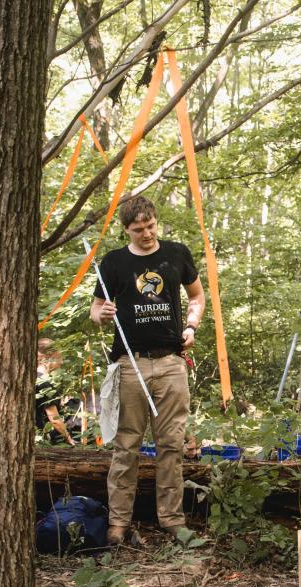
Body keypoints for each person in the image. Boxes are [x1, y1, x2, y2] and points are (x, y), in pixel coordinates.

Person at [90, 195, 205, 545]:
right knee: (127, 446)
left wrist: (191, 326)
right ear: (126, 229)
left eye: (151, 226)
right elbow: (95, 311)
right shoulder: (113, 263)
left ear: (156, 221)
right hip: (130, 364)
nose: (147, 234)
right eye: (139, 230)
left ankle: (172, 520)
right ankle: (118, 525)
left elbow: (197, 297)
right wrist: (102, 314)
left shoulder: (176, 254)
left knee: (171, 445)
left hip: (171, 363)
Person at [35, 338, 76, 446]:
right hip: (37, 437)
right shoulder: (45, 384)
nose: (61, 362)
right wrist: (68, 438)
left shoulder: (29, 376)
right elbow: (54, 419)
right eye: (58, 357)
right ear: (48, 357)